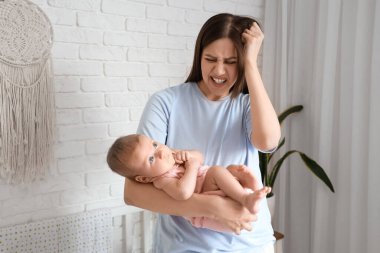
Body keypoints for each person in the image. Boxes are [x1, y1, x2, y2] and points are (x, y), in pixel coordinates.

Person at [123, 13, 281, 252]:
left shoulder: (247, 106)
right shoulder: (165, 102)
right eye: (210, 59)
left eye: (231, 61)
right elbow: (133, 193)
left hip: (249, 243)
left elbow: (268, 141)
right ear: (199, 58)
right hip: (183, 246)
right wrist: (213, 208)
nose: (219, 70)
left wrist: (250, 63)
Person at [107, 134, 271, 232]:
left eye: (154, 144)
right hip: (207, 210)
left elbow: (199, 157)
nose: (160, 153)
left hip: (210, 187)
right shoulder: (162, 180)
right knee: (217, 172)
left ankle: (249, 190)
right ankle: (246, 197)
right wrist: (191, 166)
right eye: (151, 159)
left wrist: (189, 156)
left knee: (228, 171)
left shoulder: (169, 155)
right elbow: (183, 193)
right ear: (144, 178)